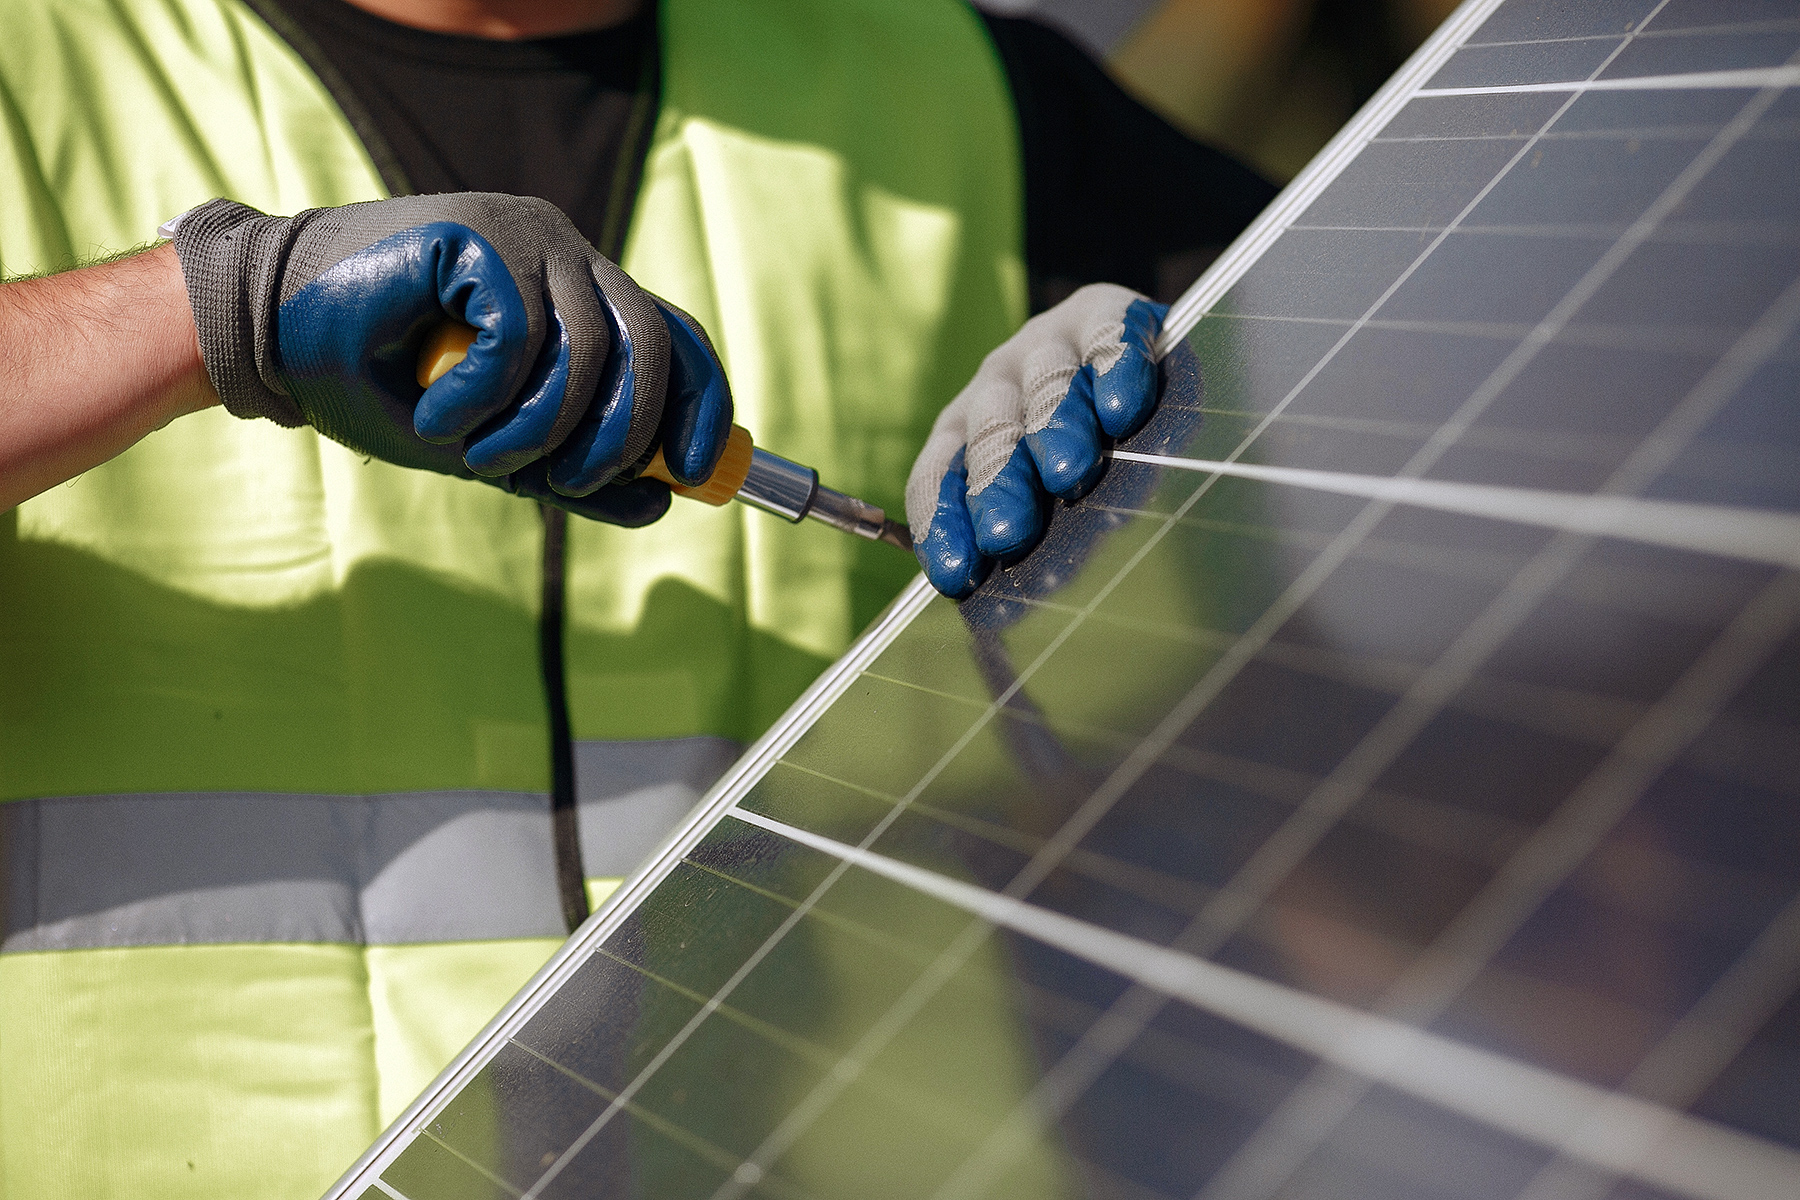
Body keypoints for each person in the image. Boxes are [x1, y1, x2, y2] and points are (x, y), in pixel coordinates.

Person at [0, 0, 1274, 1194]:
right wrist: (205, 308)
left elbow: (1376, 507)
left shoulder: (967, 93)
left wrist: (1193, 383)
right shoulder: (38, 66)